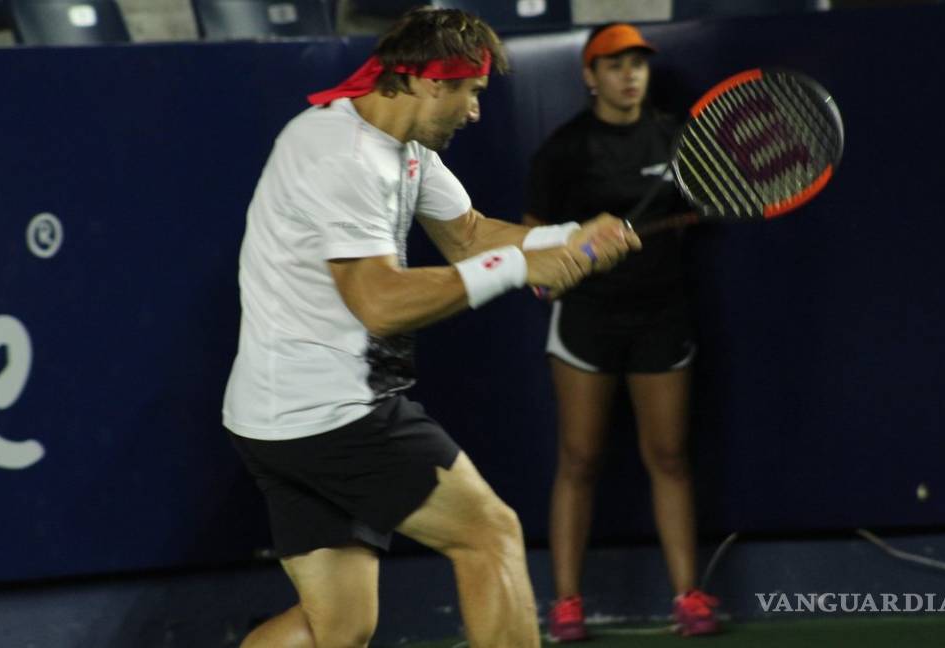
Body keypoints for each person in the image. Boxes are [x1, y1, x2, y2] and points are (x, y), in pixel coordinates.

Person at [222, 8, 642, 648]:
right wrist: (522, 264)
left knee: (338, 628)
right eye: (469, 92)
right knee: (490, 534)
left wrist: (571, 238)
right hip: (331, 413)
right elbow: (380, 303)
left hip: (274, 417)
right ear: (426, 82)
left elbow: (469, 235)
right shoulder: (344, 155)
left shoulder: (400, 145)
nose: (474, 111)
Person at [523, 23, 721, 640]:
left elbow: (709, 202)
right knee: (579, 459)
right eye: (614, 64)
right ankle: (565, 604)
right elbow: (532, 240)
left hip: (661, 319)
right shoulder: (564, 150)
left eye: (637, 63)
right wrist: (554, 270)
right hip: (587, 321)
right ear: (590, 76)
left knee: (668, 456)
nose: (629, 74)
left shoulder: (676, 138)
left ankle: (690, 597)